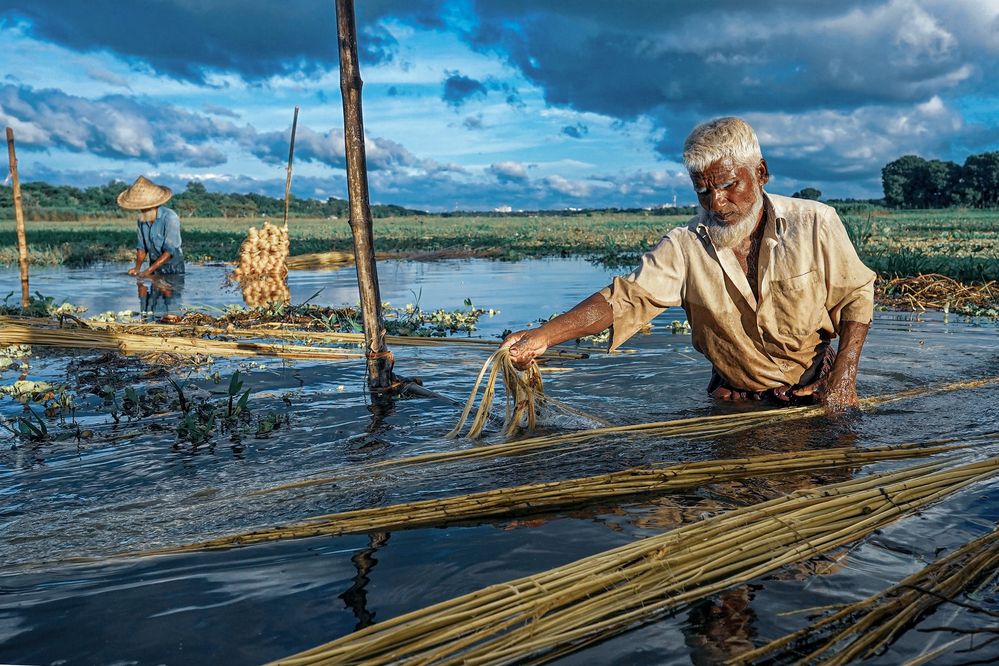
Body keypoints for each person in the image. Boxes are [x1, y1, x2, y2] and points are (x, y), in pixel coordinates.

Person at [503, 117, 875, 410]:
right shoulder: (684, 244)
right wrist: (542, 337)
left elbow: (856, 296)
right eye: (703, 190)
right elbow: (625, 299)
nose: (716, 203)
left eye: (729, 185)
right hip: (737, 398)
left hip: (816, 386)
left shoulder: (816, 222)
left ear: (760, 174)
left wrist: (844, 376)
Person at [117, 176, 185, 276]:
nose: (141, 210)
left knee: (169, 289)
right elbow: (141, 247)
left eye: (144, 208)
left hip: (173, 269)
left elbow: (169, 251)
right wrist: (137, 268)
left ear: (153, 205)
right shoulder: (142, 219)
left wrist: (147, 272)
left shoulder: (170, 217)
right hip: (154, 268)